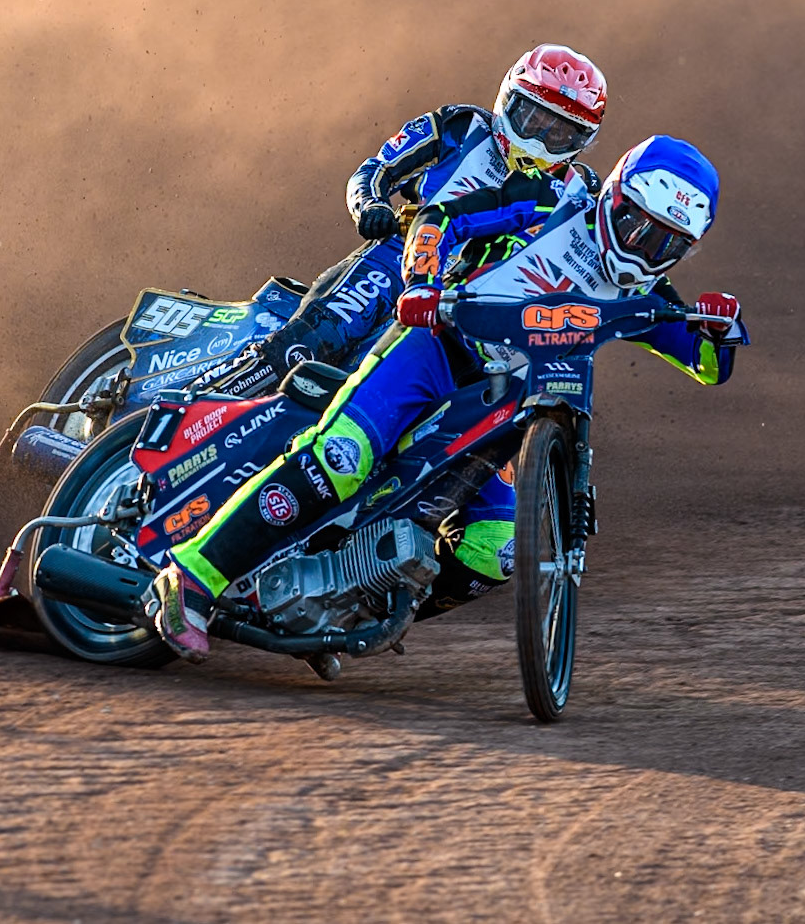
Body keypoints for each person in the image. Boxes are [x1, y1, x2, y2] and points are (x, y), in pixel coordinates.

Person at [151, 135, 748, 662]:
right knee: (340, 457)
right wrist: (421, 284)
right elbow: (440, 217)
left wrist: (719, 329)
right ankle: (194, 576)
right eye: (637, 223)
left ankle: (358, 608)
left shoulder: (648, 291)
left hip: (500, 409)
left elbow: (706, 363)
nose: (643, 248)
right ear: (613, 195)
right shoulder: (548, 202)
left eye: (666, 244)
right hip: (434, 347)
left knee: (500, 551)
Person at [213, 45, 608, 593]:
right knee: (306, 348)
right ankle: (198, 411)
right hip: (396, 264)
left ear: (582, 141)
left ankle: (363, 591)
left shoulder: (580, 193)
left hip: (473, 326)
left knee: (500, 547)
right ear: (507, 99)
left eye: (559, 132)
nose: (540, 139)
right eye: (531, 117)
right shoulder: (459, 125)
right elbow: (372, 170)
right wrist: (370, 204)